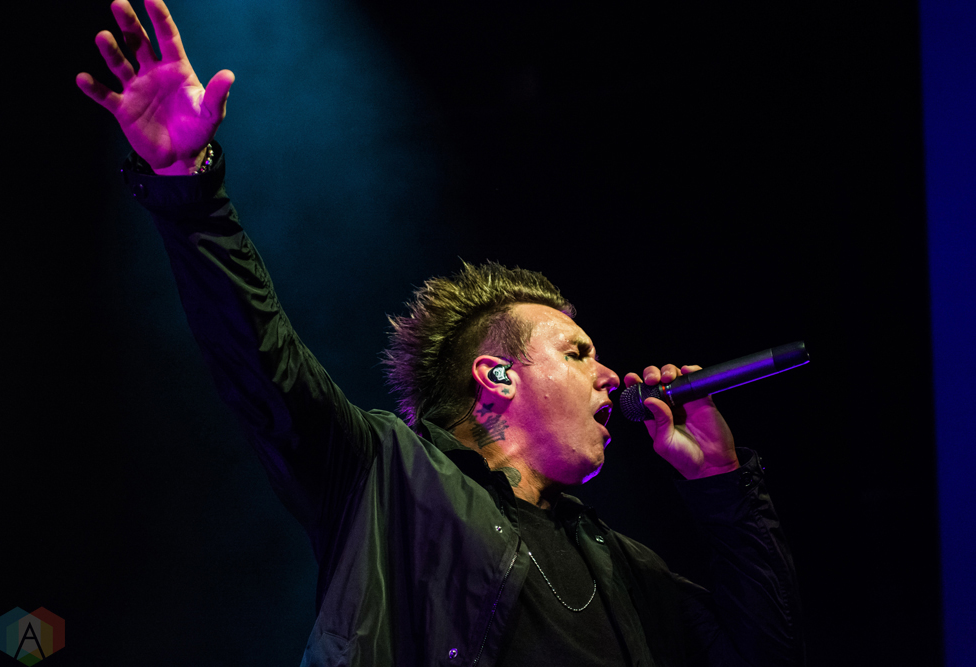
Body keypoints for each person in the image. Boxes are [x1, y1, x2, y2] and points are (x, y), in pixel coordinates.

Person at [78, 2, 804, 665]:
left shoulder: (623, 568)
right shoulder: (387, 480)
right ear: (497, 376)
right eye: (577, 352)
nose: (610, 375)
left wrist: (721, 484)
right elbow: (264, 362)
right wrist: (186, 186)